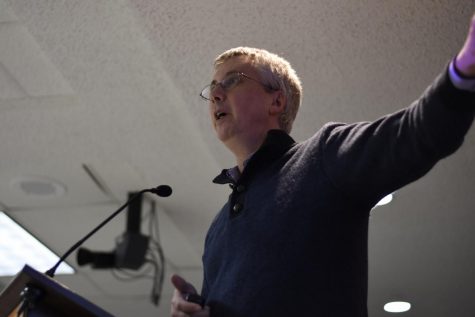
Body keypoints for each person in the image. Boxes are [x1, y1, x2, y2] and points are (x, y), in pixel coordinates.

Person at [170, 12, 475, 317]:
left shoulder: (322, 157)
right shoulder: (217, 229)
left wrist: (464, 70)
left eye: (233, 80)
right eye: (212, 88)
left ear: (276, 101)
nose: (216, 95)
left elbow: (413, 133)